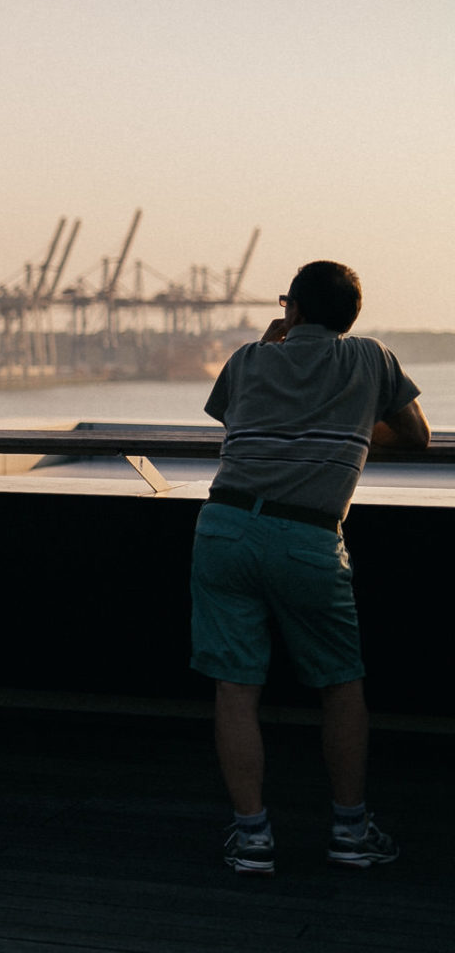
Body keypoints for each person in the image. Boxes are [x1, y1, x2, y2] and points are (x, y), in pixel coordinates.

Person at [190, 260, 429, 876]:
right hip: (308, 537)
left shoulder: (248, 358)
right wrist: (347, 422)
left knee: (236, 689)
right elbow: (418, 436)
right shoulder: (371, 359)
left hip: (226, 527)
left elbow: (232, 417)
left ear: (291, 308)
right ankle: (350, 832)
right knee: (340, 686)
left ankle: (252, 840)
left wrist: (274, 344)